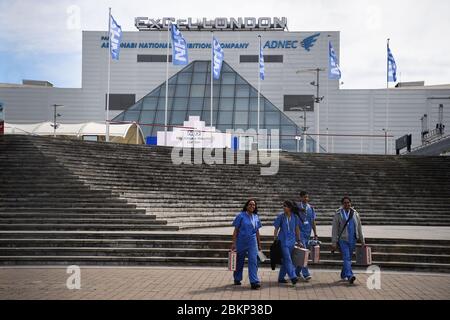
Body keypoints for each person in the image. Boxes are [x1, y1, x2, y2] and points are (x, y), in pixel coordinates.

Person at [331, 196, 365, 284]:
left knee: (348, 258)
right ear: (342, 204)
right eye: (345, 203)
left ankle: (343, 274)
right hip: (343, 239)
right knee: (346, 257)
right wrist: (334, 242)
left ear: (351, 203)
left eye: (348, 202)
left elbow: (359, 227)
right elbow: (334, 229)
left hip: (352, 239)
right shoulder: (338, 214)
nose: (347, 204)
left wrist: (362, 240)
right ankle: (350, 275)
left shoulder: (355, 213)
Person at [231, 199, 262, 290]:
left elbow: (257, 231)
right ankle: (237, 278)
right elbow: (236, 230)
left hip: (252, 242)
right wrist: (234, 243)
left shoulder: (256, 217)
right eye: (250, 204)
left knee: (253, 261)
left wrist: (259, 244)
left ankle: (254, 281)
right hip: (241, 241)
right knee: (239, 261)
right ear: (246, 206)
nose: (252, 206)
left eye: (253, 205)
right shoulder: (240, 216)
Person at [274, 200, 300, 285]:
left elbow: (297, 229)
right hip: (283, 241)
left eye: (285, 206)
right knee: (288, 259)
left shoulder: (295, 217)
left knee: (286, 260)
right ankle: (293, 276)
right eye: (283, 205)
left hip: (292, 241)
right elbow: (276, 228)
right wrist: (275, 239)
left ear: (290, 208)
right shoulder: (281, 217)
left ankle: (281, 278)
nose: (284, 207)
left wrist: (298, 240)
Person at [296, 191, 318, 281]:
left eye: (307, 197)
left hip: (307, 233)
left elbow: (313, 221)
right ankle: (306, 273)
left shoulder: (311, 208)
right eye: (304, 197)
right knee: (305, 253)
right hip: (300, 233)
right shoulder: (297, 207)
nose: (306, 199)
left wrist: (315, 233)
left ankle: (297, 271)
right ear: (300, 197)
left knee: (305, 254)